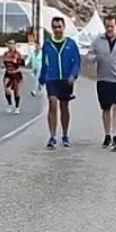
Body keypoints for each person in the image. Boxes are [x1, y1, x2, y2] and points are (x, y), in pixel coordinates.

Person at [88, 15, 116, 151]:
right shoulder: (98, 41)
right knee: (106, 108)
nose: (109, 29)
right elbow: (89, 56)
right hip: (103, 78)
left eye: (111, 26)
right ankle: (107, 134)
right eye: (107, 26)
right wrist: (96, 57)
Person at [39, 16, 81, 149]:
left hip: (66, 79)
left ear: (63, 28)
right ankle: (52, 136)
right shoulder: (47, 44)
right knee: (52, 104)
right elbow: (44, 63)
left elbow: (76, 61)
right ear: (52, 28)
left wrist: (73, 75)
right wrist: (42, 77)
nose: (57, 30)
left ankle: (65, 134)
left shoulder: (70, 44)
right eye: (55, 27)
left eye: (59, 27)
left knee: (64, 107)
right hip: (52, 78)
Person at [1, 39, 26, 114]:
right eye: (9, 44)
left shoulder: (18, 54)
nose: (10, 45)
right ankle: (9, 104)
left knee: (16, 91)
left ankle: (17, 107)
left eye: (12, 44)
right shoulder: (6, 53)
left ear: (15, 45)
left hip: (16, 74)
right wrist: (3, 65)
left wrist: (17, 62)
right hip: (8, 73)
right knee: (6, 89)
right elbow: (4, 62)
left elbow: (23, 64)